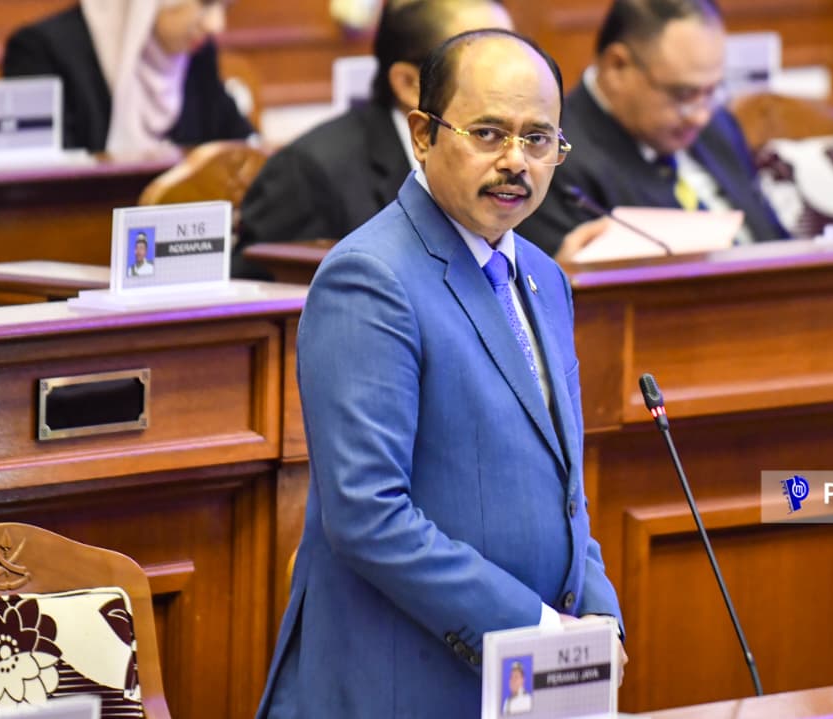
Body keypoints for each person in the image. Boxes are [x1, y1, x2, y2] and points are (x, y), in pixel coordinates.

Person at [255, 29, 624, 718]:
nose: (515, 161)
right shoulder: (370, 279)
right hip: (400, 685)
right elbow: (369, 515)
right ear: (423, 135)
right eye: (488, 133)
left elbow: (564, 491)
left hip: (525, 687)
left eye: (538, 139)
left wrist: (600, 618)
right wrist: (536, 630)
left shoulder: (544, 278)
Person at [234, 0, 513, 279]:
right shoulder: (309, 173)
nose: (509, 80)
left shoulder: (518, 161)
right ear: (409, 83)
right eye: (485, 67)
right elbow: (255, 296)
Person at [517, 0, 788, 259]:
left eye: (711, 91)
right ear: (617, 66)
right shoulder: (553, 157)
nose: (700, 116)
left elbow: (774, 237)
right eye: (683, 95)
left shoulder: (719, 125)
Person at [3, 0, 254, 154]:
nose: (215, 25)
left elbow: (241, 143)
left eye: (225, 7)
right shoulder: (41, 51)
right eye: (206, 3)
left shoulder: (196, 54)